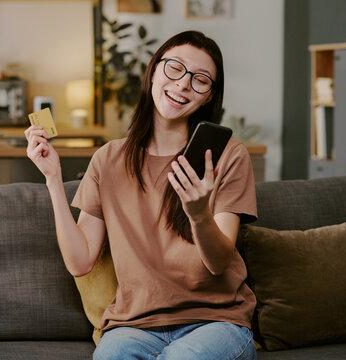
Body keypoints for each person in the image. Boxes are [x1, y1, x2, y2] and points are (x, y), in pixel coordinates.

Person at [25, 30, 258, 360]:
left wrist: (198, 213)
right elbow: (80, 262)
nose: (182, 85)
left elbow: (219, 264)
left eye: (200, 80)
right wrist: (52, 179)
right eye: (175, 68)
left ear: (208, 97)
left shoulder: (227, 156)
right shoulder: (108, 159)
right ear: (153, 70)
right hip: (133, 327)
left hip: (216, 322)